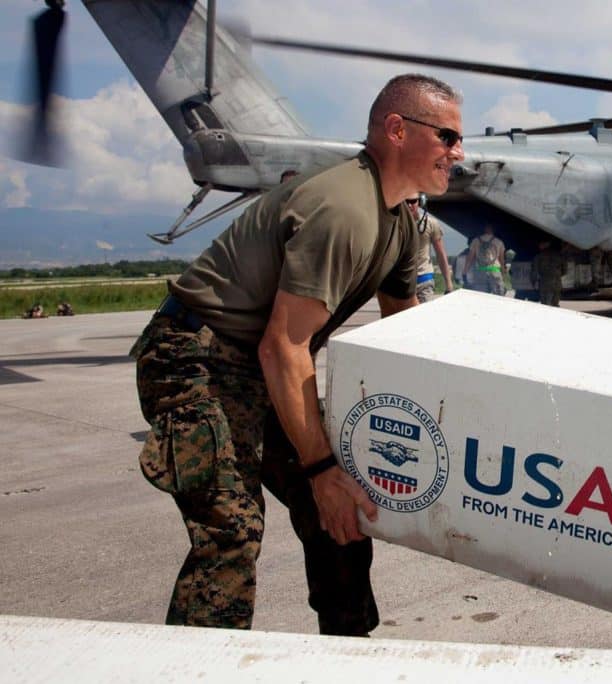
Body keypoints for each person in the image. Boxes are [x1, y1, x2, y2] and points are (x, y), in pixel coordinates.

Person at [130, 73, 464, 636]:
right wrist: (322, 466)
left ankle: (349, 652)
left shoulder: (403, 222)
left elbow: (406, 327)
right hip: (197, 358)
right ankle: (195, 669)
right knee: (230, 534)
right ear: (397, 130)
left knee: (339, 513)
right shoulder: (344, 209)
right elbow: (283, 346)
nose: (460, 152)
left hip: (262, 365)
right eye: (448, 136)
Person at [406, 196, 452, 303]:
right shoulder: (394, 224)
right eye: (406, 201)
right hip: (402, 282)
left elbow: (440, 254)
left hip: (424, 281)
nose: (409, 205)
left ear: (420, 201)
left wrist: (448, 283)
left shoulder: (431, 223)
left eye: (413, 201)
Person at [465, 224, 507, 295]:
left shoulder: (475, 241)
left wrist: (465, 271)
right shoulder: (499, 242)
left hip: (480, 270)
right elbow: (502, 260)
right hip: (494, 270)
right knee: (499, 295)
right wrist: (503, 272)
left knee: (481, 296)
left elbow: (470, 258)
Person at [531, 238, 566, 306]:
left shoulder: (539, 256)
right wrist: (559, 275)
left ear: (546, 244)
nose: (539, 246)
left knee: (545, 304)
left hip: (545, 282)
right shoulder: (559, 255)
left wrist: (533, 282)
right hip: (557, 282)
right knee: (555, 303)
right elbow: (565, 269)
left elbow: (534, 271)